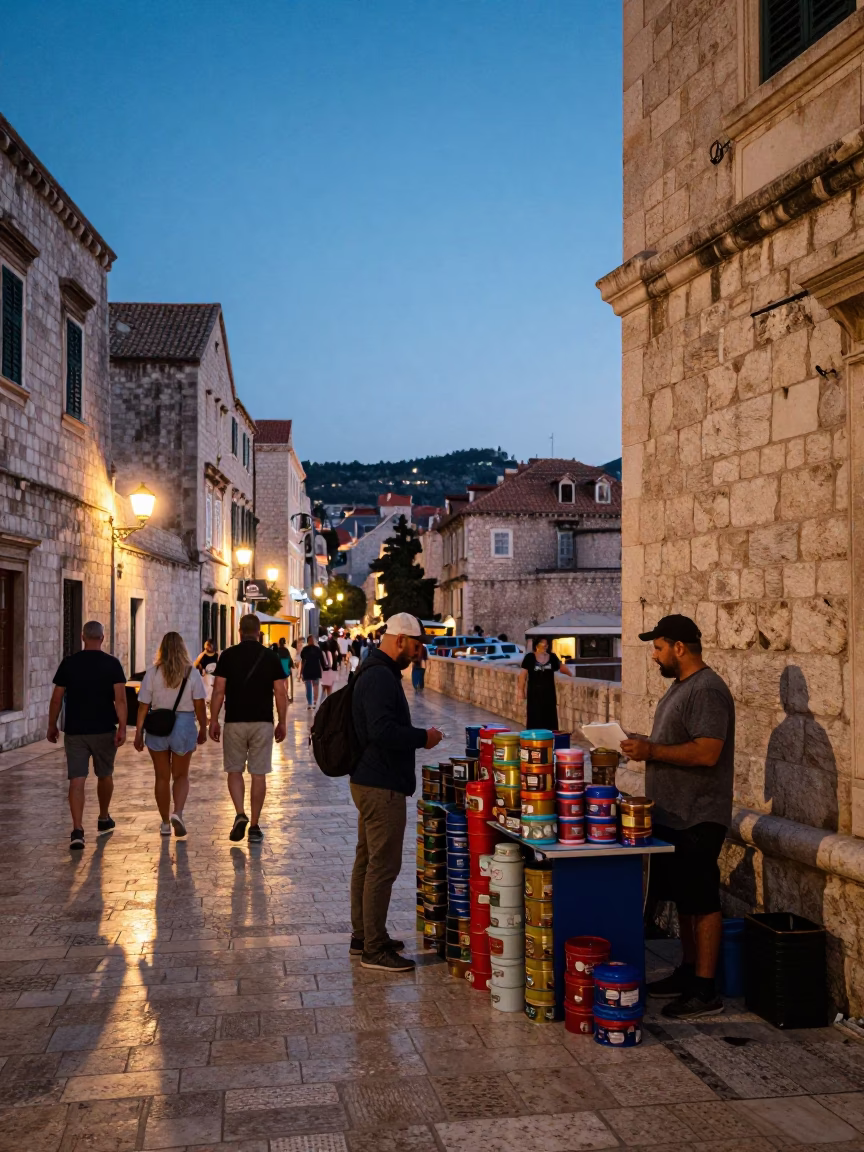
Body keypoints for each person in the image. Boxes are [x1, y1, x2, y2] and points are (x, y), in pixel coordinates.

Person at [621, 614, 735, 1021]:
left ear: (679, 648)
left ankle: (705, 990)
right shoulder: (682, 688)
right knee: (685, 900)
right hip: (674, 813)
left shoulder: (707, 690)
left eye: (658, 648)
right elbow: (674, 743)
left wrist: (652, 752)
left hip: (698, 815)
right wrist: (644, 744)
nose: (654, 656)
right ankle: (688, 973)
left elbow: (707, 752)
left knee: (702, 902)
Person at [350, 612, 443, 972]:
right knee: (382, 867)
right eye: (416, 646)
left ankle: (365, 937)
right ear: (400, 640)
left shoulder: (377, 670)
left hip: (370, 779)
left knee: (367, 862)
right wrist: (424, 737)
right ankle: (374, 949)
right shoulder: (379, 677)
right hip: (381, 784)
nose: (418, 654)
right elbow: (382, 731)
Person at [47, 620, 127, 850]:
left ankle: (77, 830)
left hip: (75, 730)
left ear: (83, 637)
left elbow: (56, 698)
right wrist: (122, 726)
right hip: (103, 729)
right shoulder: (112, 664)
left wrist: (52, 724)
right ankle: (103, 817)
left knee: (77, 779)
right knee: (105, 774)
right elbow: (119, 699)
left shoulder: (69, 664)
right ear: (102, 638)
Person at [209, 613, 288, 843]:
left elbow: (218, 691)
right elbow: (280, 692)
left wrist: (213, 719)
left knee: (234, 770)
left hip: (234, 721)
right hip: (262, 722)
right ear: (259, 632)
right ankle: (254, 825)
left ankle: (240, 813)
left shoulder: (228, 656)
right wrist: (282, 721)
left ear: (240, 631)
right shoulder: (271, 657)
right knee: (258, 774)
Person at [134, 632, 207, 837]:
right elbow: (200, 704)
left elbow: (142, 706)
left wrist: (138, 733)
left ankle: (165, 822)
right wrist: (204, 727)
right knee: (181, 775)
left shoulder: (153, 673)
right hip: (183, 725)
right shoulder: (191, 674)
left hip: (157, 725)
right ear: (183, 649)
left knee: (161, 777)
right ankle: (178, 813)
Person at [518, 637, 573, 730]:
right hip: (534, 693)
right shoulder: (529, 658)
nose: (545, 647)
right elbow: (523, 675)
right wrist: (521, 690)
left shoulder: (552, 657)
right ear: (536, 646)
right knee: (534, 715)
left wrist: (571, 675)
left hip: (549, 692)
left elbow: (561, 667)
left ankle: (549, 737)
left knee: (549, 716)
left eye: (546, 645)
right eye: (542, 645)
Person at [299, 635, 325, 708]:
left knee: (311, 686)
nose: (312, 641)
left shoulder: (306, 649)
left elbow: (303, 661)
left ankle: (312, 702)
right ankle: (313, 701)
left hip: (309, 670)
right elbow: (303, 661)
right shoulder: (317, 649)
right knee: (313, 686)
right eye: (311, 640)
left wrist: (301, 672)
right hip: (313, 669)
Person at [194, 638, 219, 707]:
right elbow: (195, 665)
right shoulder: (203, 655)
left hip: (214, 678)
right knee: (207, 695)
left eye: (209, 645)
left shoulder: (217, 655)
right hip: (206, 678)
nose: (208, 647)